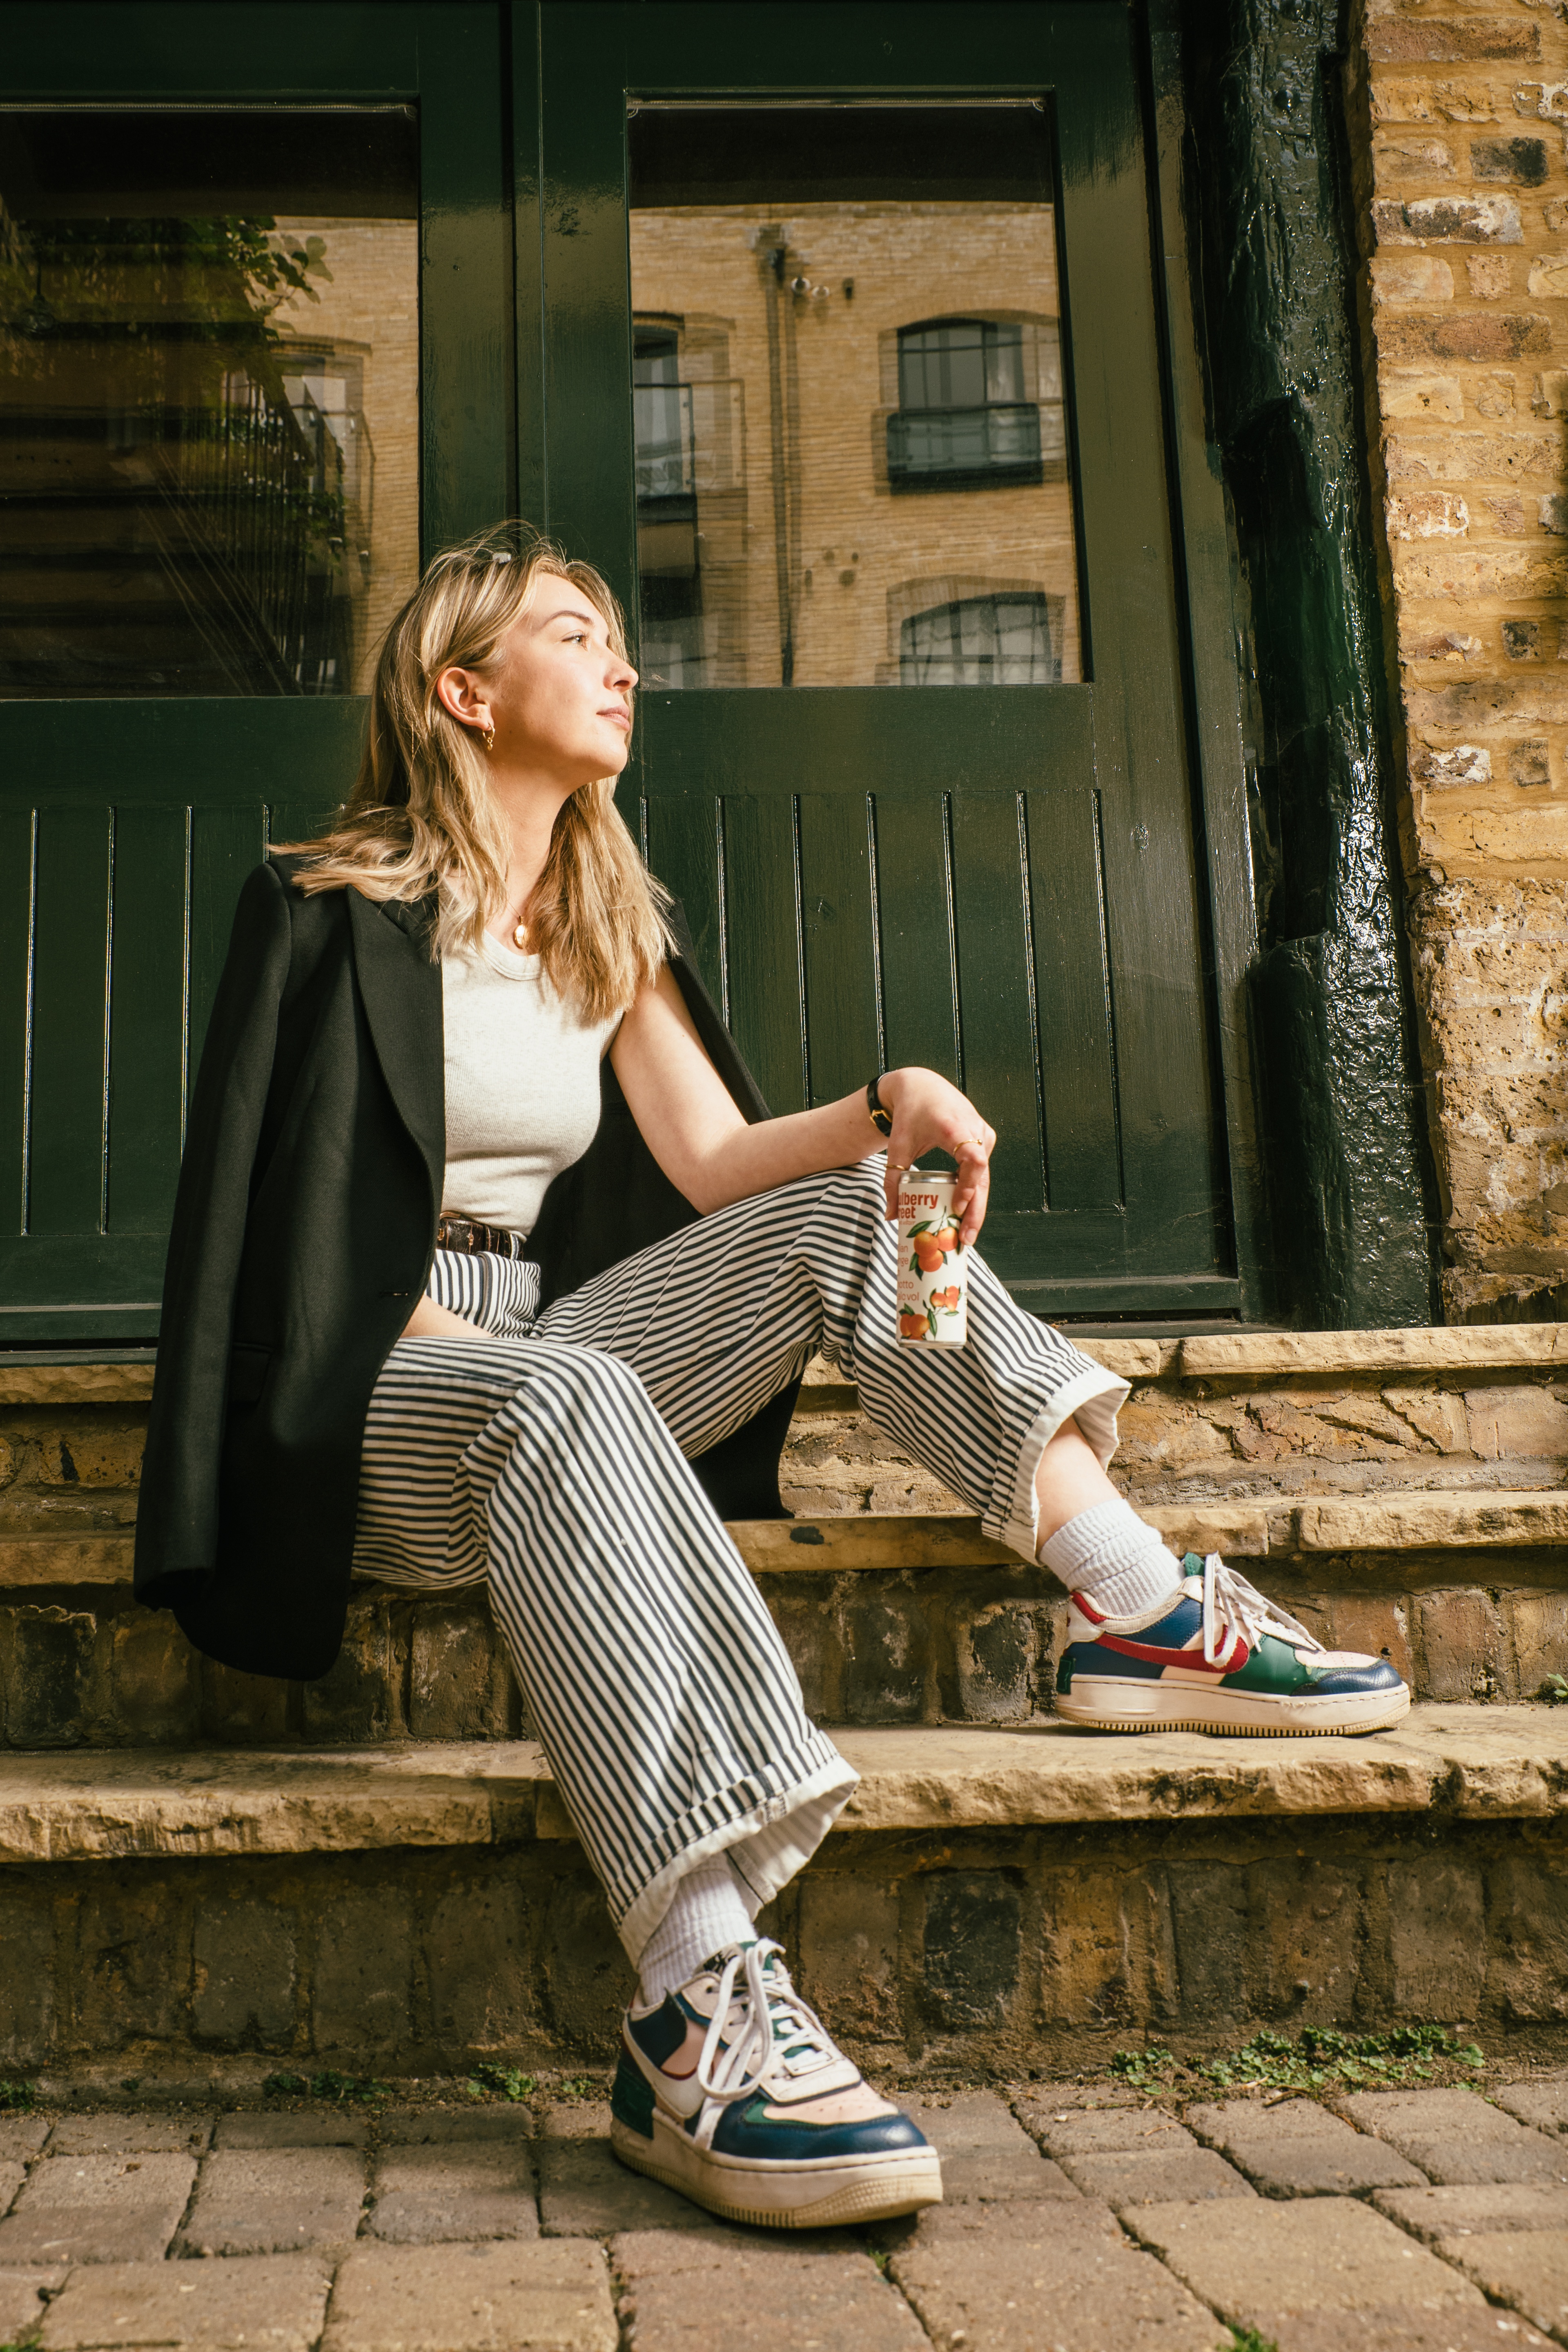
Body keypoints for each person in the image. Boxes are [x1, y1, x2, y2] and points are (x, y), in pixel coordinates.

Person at [134, 523, 1411, 2233]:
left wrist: (890, 1105)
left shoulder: (603, 925)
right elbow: (254, 1239)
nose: (623, 662)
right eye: (575, 634)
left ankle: (1138, 1606)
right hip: (374, 1389)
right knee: (566, 1392)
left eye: (616, 639)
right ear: (462, 688)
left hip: (543, 1371)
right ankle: (694, 1995)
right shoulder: (320, 911)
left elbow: (723, 1156)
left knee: (842, 1210)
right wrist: (454, 1356)